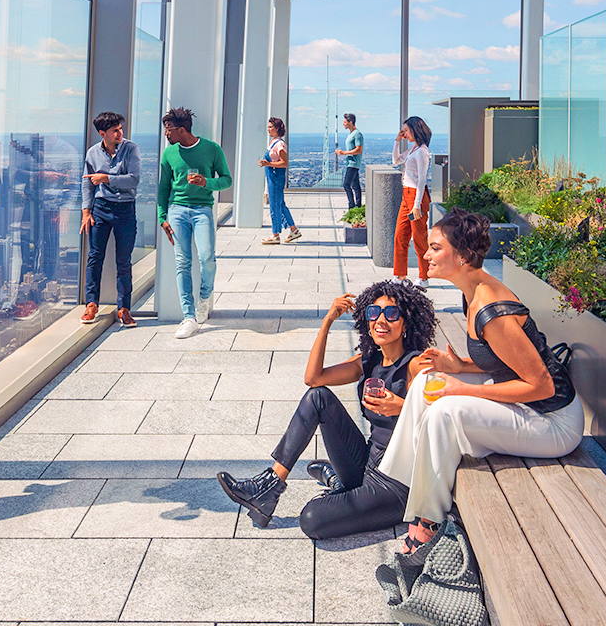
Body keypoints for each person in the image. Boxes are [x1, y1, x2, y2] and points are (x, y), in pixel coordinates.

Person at [378, 209, 584, 553]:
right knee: (430, 377)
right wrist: (459, 366)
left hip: (553, 423)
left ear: (462, 256)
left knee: (447, 410)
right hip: (526, 406)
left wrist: (463, 387)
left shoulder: (493, 311)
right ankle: (403, 484)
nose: (426, 254)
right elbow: (505, 360)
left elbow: (542, 385)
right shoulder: (472, 293)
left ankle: (427, 522)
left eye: (435, 248)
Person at [216, 280, 434, 535]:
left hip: (395, 484)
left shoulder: (416, 365)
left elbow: (445, 415)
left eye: (392, 313)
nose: (380, 320)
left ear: (406, 322)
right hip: (368, 462)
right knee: (317, 396)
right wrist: (327, 323)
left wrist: (403, 407)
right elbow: (314, 378)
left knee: (311, 519)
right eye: (374, 313)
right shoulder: (369, 361)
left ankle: (339, 483)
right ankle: (270, 485)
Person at [158, 107, 232, 340]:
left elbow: (227, 180)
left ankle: (204, 299)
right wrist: (162, 217)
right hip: (177, 210)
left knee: (207, 258)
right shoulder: (169, 153)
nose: (166, 134)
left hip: (202, 210)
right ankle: (188, 316)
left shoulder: (212, 149)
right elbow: (163, 187)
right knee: (182, 262)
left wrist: (205, 182)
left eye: (168, 130)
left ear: (181, 129)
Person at [80, 111, 141, 328]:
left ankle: (124, 308)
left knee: (123, 261)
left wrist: (106, 178)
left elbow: (133, 180)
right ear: (102, 133)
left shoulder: (131, 148)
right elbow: (87, 183)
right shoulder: (92, 153)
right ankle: (91, 304)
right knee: (95, 257)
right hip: (101, 210)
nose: (120, 133)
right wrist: (86, 211)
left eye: (120, 129)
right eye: (115, 130)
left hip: (125, 210)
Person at [391, 117, 433, 283]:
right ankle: (399, 275)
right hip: (406, 197)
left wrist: (416, 206)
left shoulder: (422, 151)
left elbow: (422, 179)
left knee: (419, 239)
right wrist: (397, 141)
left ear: (416, 130)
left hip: (417, 197)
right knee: (400, 236)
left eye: (407, 130)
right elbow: (395, 161)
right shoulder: (412, 149)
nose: (405, 133)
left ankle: (424, 277)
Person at [260, 117, 302, 245]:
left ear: (278, 128)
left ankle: (275, 234)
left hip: (276, 178)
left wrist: (269, 163)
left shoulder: (279, 145)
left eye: (271, 127)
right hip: (272, 177)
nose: (268, 129)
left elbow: (284, 163)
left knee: (274, 206)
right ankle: (294, 230)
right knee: (280, 205)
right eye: (268, 127)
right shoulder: (273, 142)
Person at [336, 113, 365, 210]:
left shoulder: (357, 134)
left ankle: (352, 206)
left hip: (353, 163)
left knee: (346, 184)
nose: (343, 124)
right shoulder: (351, 134)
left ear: (350, 122)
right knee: (356, 185)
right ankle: (358, 206)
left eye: (345, 122)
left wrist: (344, 153)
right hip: (350, 162)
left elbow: (359, 150)